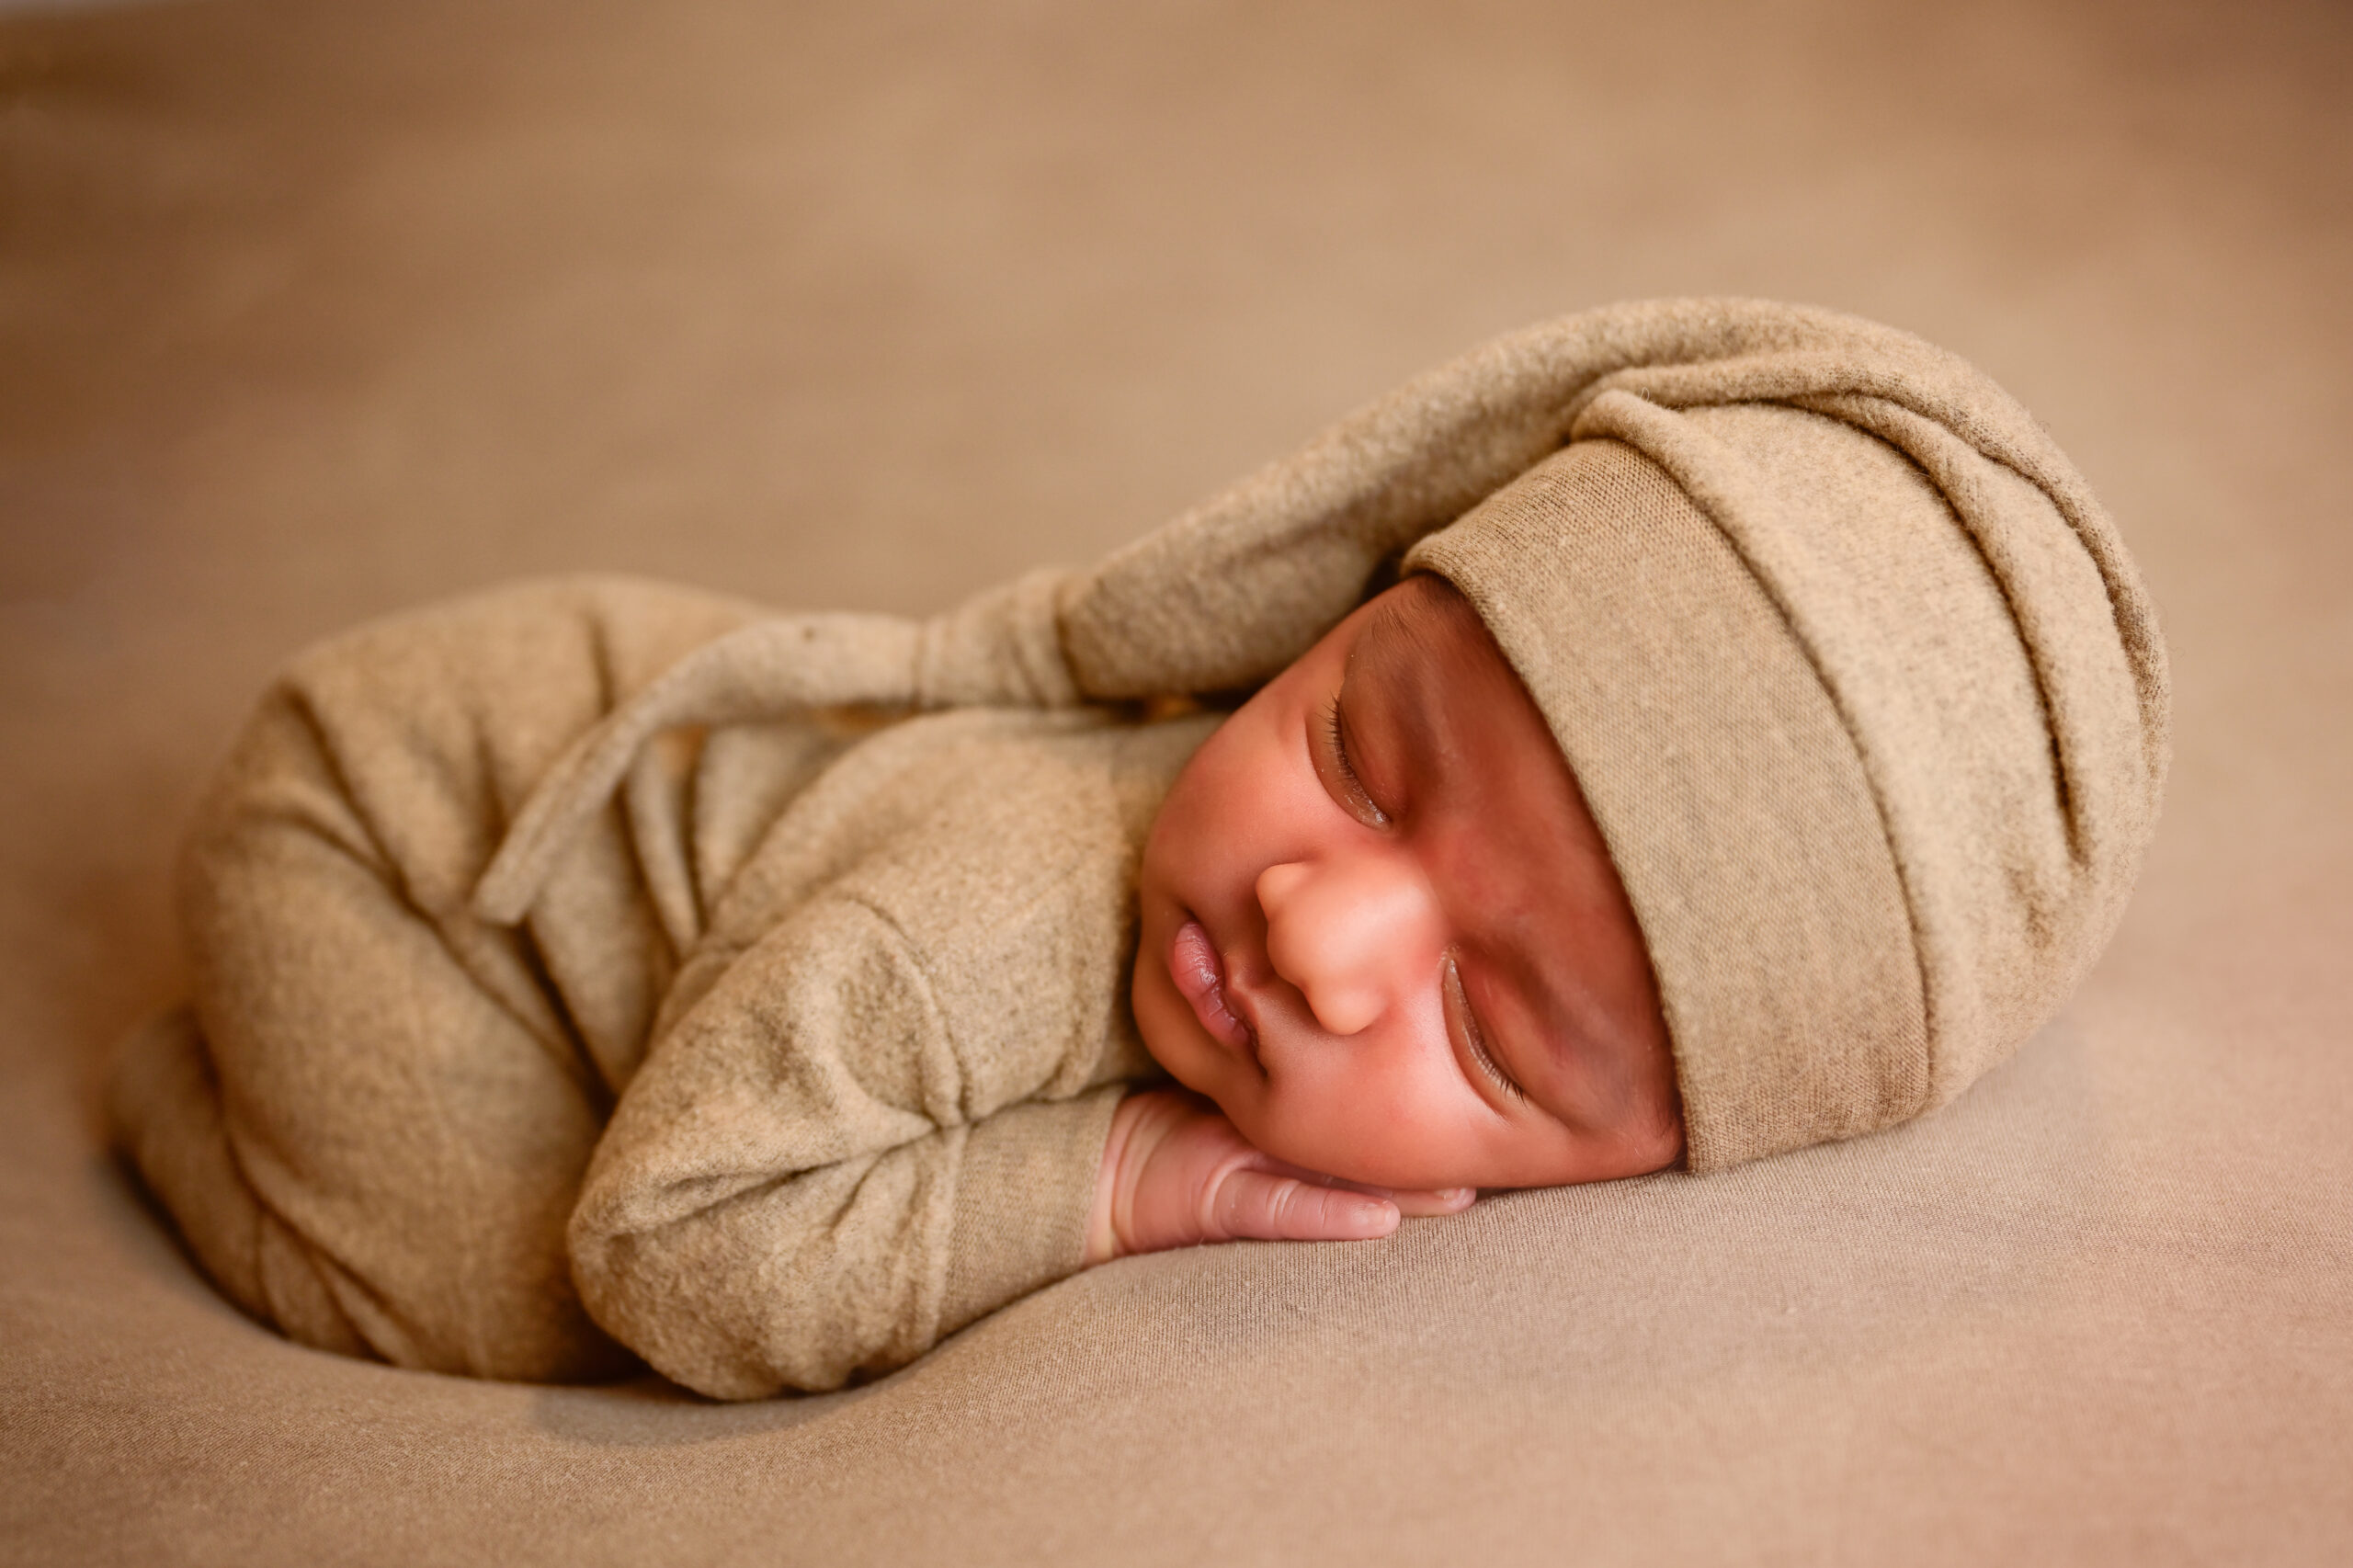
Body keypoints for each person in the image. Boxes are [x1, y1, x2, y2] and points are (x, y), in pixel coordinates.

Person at [108, 299, 2169, 1401]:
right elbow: (669, 1246)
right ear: (1314, 615)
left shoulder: (1249, 897)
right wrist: (1100, 1174)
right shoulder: (975, 935)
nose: (1316, 931)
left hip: (625, 824)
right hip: (389, 836)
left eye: (1489, 1019)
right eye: (1359, 758)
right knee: (518, 1293)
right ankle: (173, 1100)